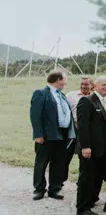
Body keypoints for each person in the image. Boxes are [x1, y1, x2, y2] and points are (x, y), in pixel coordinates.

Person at [74, 76, 106, 215]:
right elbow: (83, 126)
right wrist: (85, 146)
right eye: (103, 84)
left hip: (104, 150)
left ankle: (92, 200)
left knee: (98, 177)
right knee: (87, 178)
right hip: (90, 148)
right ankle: (82, 207)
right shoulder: (87, 101)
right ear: (95, 86)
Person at [30, 70, 76, 200]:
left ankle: (54, 189)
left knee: (58, 162)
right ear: (57, 80)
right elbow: (35, 115)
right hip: (46, 134)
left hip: (62, 134)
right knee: (42, 161)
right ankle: (39, 189)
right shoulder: (41, 93)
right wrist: (38, 134)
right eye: (64, 79)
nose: (65, 82)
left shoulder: (61, 95)